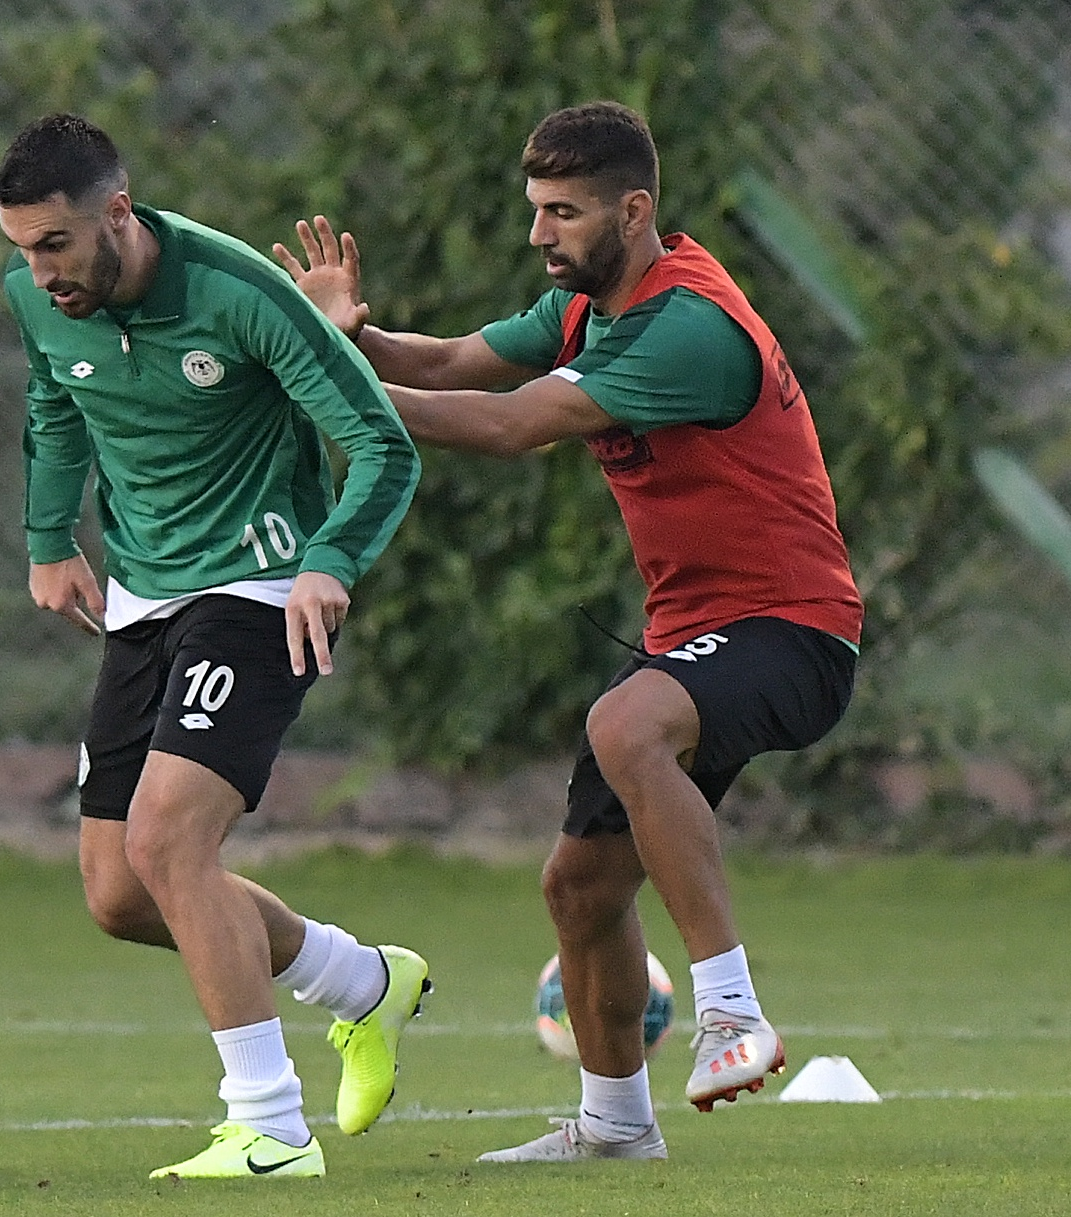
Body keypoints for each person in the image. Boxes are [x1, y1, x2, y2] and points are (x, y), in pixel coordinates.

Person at [275, 100, 862, 1162]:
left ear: (632, 211)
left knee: (624, 724)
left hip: (791, 630)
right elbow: (451, 362)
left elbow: (509, 425)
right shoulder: (591, 305)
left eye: (563, 212)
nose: (538, 232)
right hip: (694, 635)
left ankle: (730, 1012)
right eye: (535, 208)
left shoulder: (687, 325)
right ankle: (614, 1126)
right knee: (578, 886)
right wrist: (342, 337)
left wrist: (321, 384)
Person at [0, 114, 428, 1181]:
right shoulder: (37, 299)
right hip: (143, 596)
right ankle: (360, 981)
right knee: (119, 892)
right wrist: (49, 540)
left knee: (170, 839)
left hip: (261, 585)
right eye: (21, 250)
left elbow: (380, 444)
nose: (40, 273)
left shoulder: (239, 294)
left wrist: (330, 560)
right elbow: (55, 402)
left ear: (117, 213)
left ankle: (270, 1125)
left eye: (55, 244)